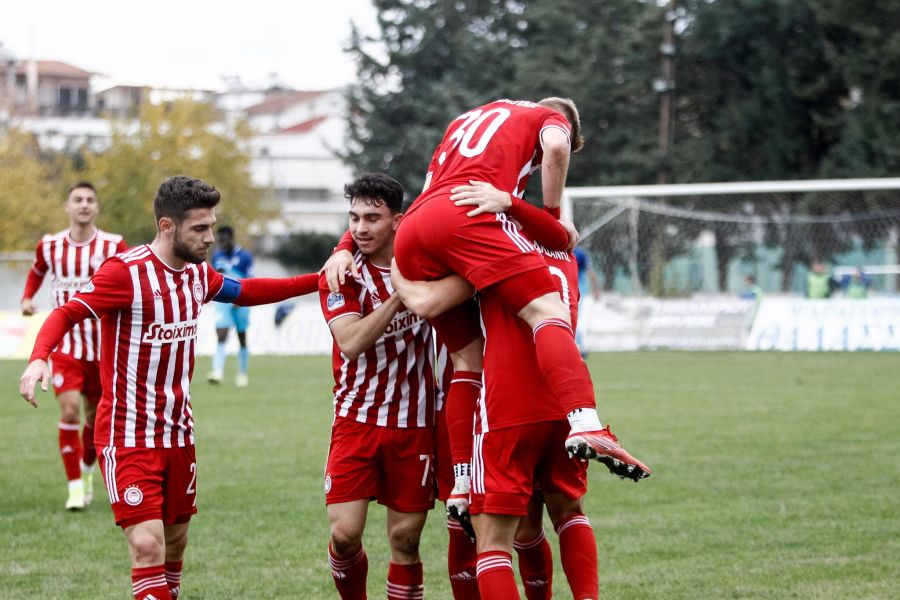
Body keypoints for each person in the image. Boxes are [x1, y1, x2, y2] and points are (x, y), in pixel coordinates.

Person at [19, 176, 319, 600]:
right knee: (146, 545)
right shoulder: (124, 273)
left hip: (178, 434)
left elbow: (246, 290)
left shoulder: (198, 275)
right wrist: (38, 359)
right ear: (166, 226)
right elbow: (65, 313)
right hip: (126, 435)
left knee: (176, 543)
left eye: (212, 226)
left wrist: (318, 281)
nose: (210, 237)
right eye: (200, 228)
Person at [329, 98, 650, 483]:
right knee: (548, 311)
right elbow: (558, 149)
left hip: (416, 227)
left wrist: (343, 245)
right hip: (465, 215)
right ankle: (585, 422)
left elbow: (420, 201)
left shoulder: (466, 118)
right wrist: (549, 213)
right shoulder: (549, 118)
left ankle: (462, 478)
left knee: (467, 357)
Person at [390, 184, 603, 599]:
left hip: (508, 406)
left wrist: (401, 267)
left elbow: (427, 302)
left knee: (492, 543)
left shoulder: (495, 257)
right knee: (569, 512)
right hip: (566, 401)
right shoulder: (565, 254)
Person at [319, 173, 436, 600]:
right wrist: (399, 298)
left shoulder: (427, 265)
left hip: (416, 421)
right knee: (345, 534)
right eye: (353, 218)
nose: (360, 228)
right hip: (356, 419)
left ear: (398, 221)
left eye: (372, 217)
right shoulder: (341, 275)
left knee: (405, 541)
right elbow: (350, 342)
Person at [20, 181, 128, 511]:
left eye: (89, 200)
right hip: (67, 347)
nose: (83, 205)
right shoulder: (50, 245)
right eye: (77, 199)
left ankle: (86, 470)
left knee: (96, 421)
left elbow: (132, 278)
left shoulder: (114, 244)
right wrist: (27, 297)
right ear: (67, 206)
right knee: (68, 409)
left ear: (96, 208)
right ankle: (75, 489)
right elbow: (37, 271)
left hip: (105, 349)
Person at [208, 225, 255, 387]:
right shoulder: (217, 255)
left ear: (231, 238)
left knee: (242, 337)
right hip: (222, 302)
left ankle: (242, 373)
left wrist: (242, 298)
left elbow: (251, 279)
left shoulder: (245, 257)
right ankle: (217, 372)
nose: (221, 243)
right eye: (219, 240)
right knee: (221, 334)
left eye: (224, 240)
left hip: (241, 301)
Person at [572, 245, 601, 357]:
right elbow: (591, 272)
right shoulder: (572, 252)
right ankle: (578, 346)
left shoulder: (579, 253)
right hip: (571, 289)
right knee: (571, 318)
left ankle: (578, 346)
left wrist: (596, 289)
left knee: (573, 318)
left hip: (578, 291)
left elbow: (590, 272)